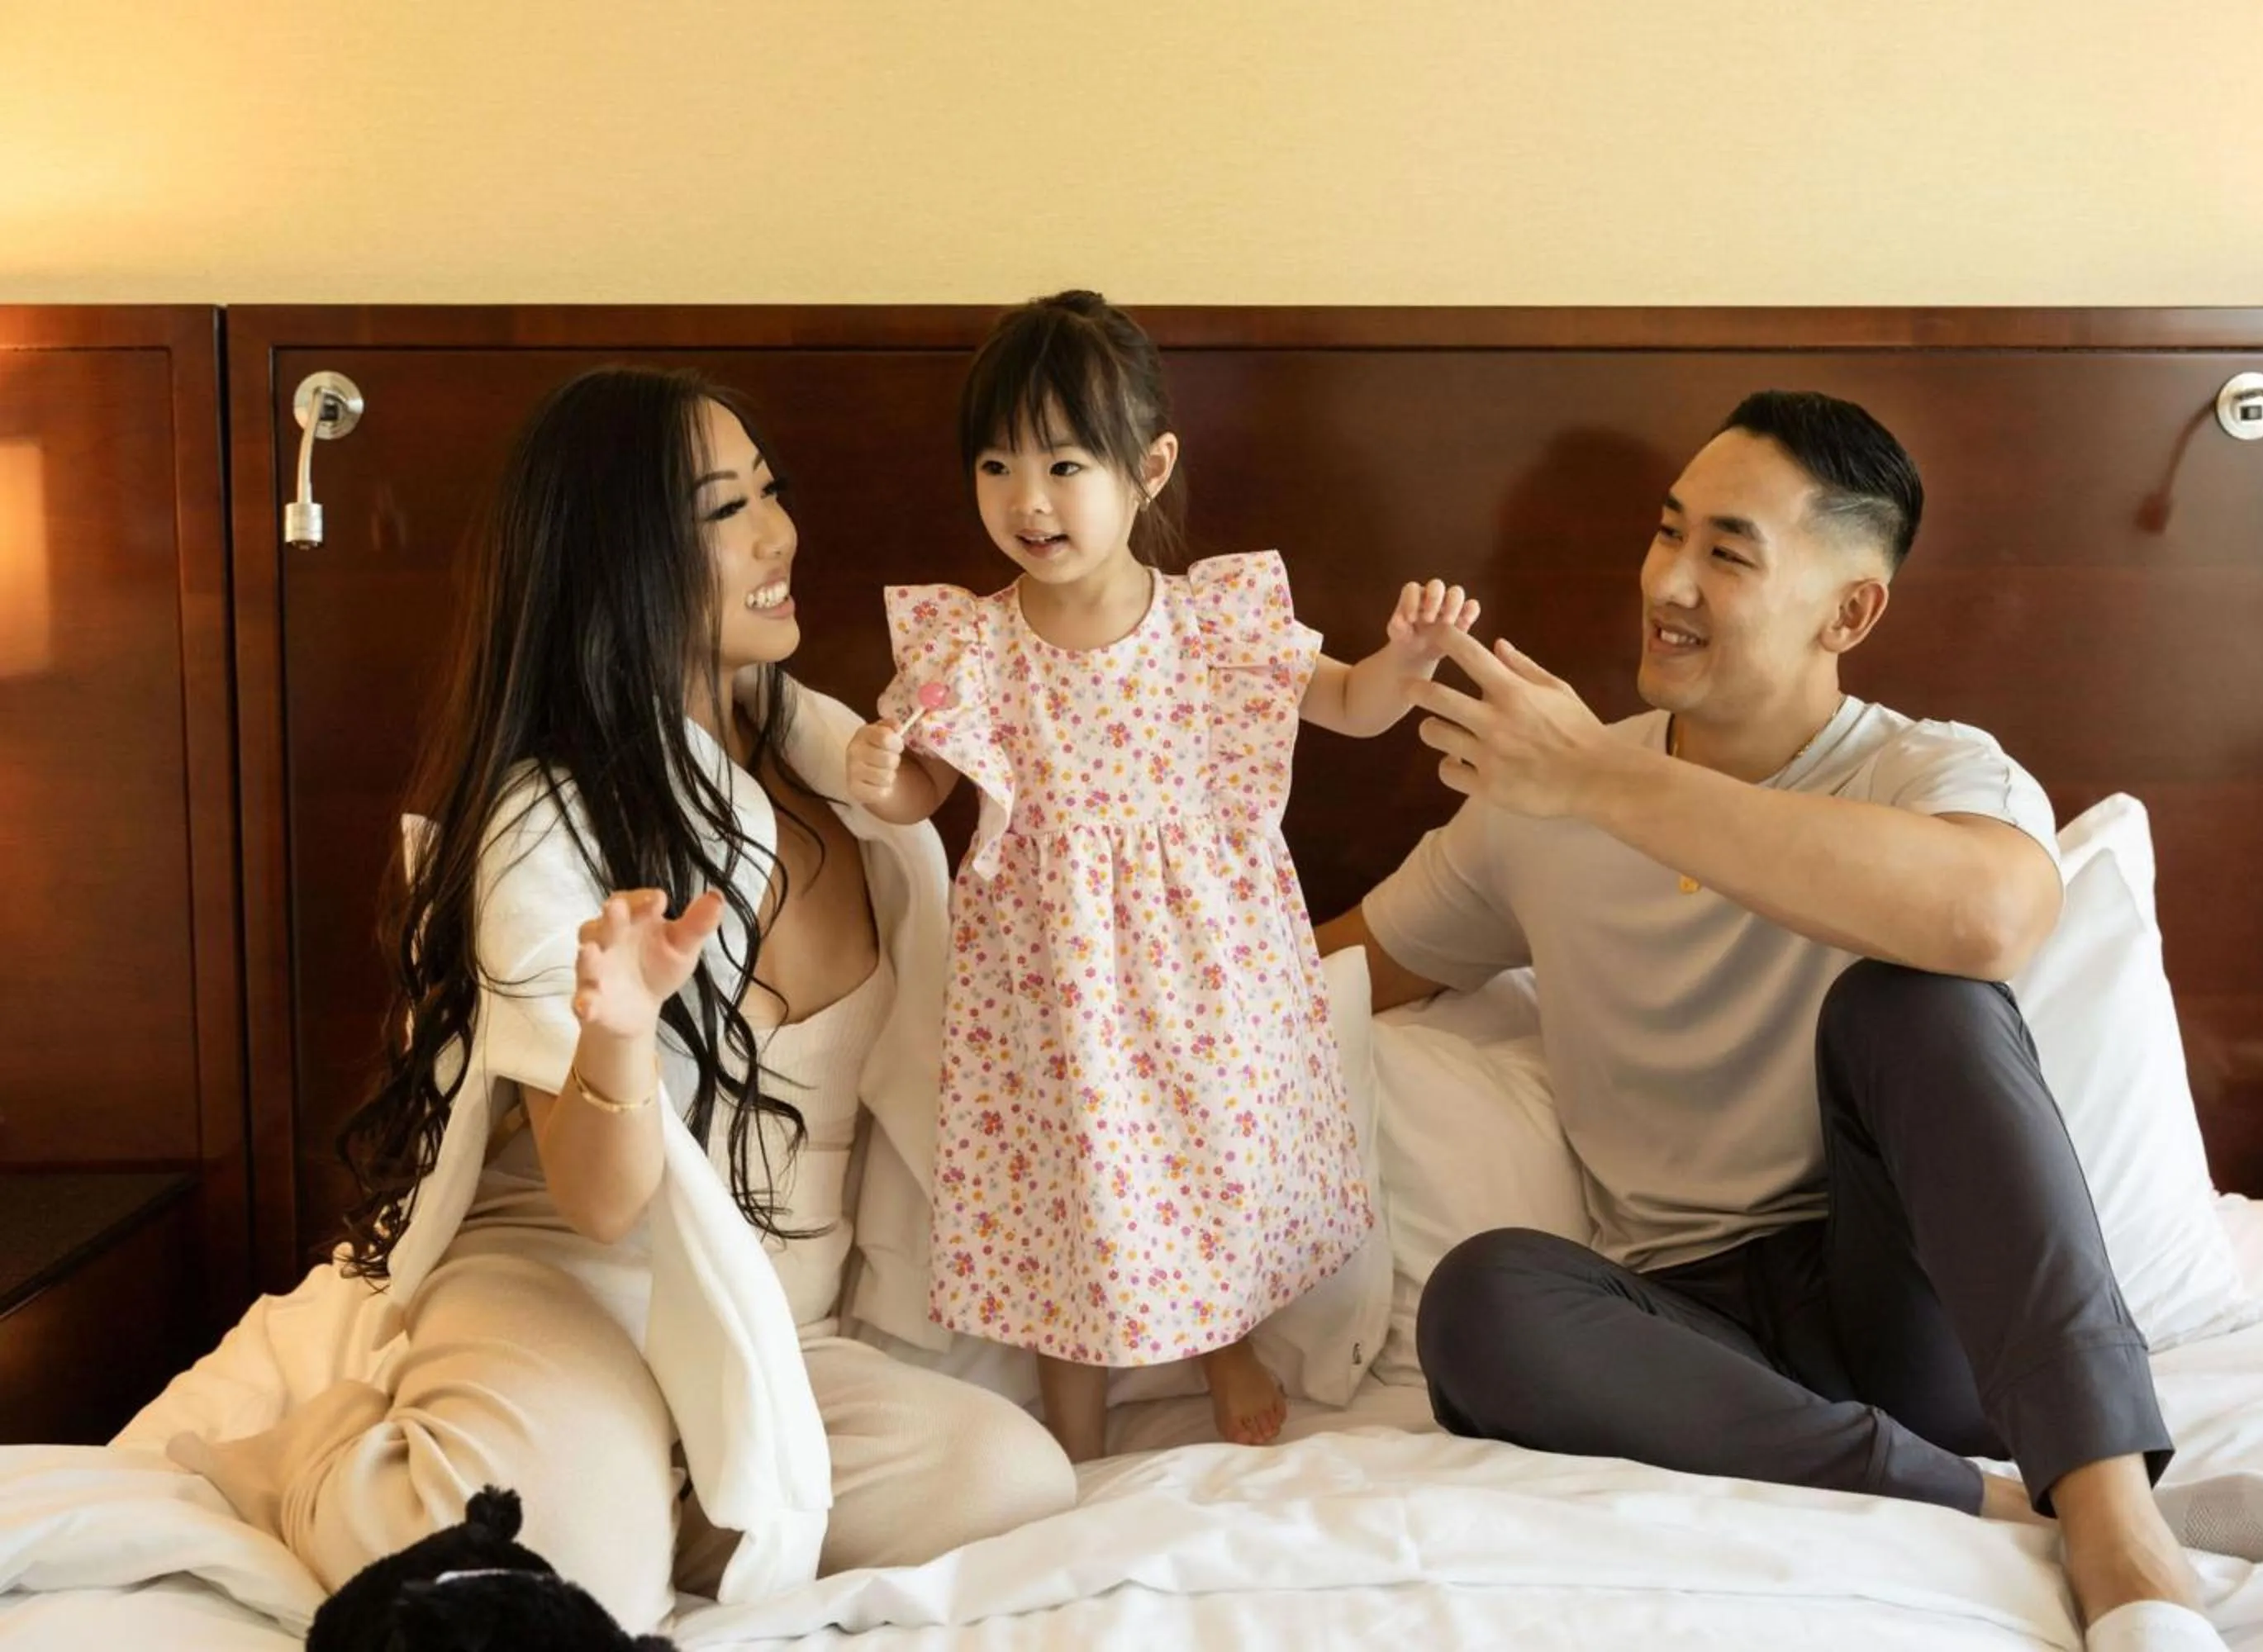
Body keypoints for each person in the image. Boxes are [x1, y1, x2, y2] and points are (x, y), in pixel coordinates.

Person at [1321, 391, 2263, 1651]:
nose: (1670, 582)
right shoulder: (1532, 808)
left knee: (1914, 994)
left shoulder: (1929, 770)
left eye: (1727, 553)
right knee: (1479, 1301)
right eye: (1666, 534)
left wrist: (1603, 778)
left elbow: (1988, 922)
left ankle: (2118, 1528)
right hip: (1690, 1338)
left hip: (1907, 1295)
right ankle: (2004, 1500)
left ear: (1850, 610)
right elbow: (1332, 975)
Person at [171, 366, 1077, 1633]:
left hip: (766, 1321)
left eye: (773, 492)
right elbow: (599, 1203)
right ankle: (319, 1459)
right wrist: (617, 1028)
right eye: (725, 511)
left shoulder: (849, 773)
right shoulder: (549, 817)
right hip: (572, 1281)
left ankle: (652, 1478)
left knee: (1011, 1480)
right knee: (574, 1594)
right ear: (621, 557)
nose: (781, 536)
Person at [844, 290, 1480, 1461]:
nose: (1027, 500)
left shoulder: (1213, 622)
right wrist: (879, 771)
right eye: (996, 466)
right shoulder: (972, 644)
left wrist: (1405, 661)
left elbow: (1342, 704)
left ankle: (1221, 1339)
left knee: (1206, 1158)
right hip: (1050, 991)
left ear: (1149, 468)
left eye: (1064, 463)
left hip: (1201, 970)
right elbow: (921, 799)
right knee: (1065, 1184)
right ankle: (1075, 1421)